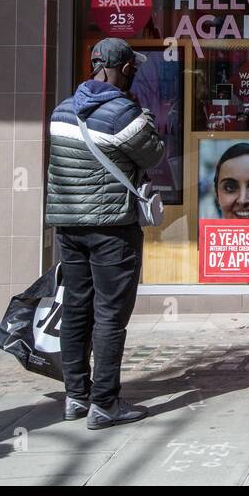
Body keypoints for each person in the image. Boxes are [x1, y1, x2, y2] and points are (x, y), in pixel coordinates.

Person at [45, 38, 165, 430]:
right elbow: (154, 155)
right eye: (134, 68)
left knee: (77, 309)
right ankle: (106, 403)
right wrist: (145, 119)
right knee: (111, 314)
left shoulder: (61, 110)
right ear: (126, 68)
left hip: (68, 227)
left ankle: (75, 397)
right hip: (113, 228)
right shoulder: (122, 114)